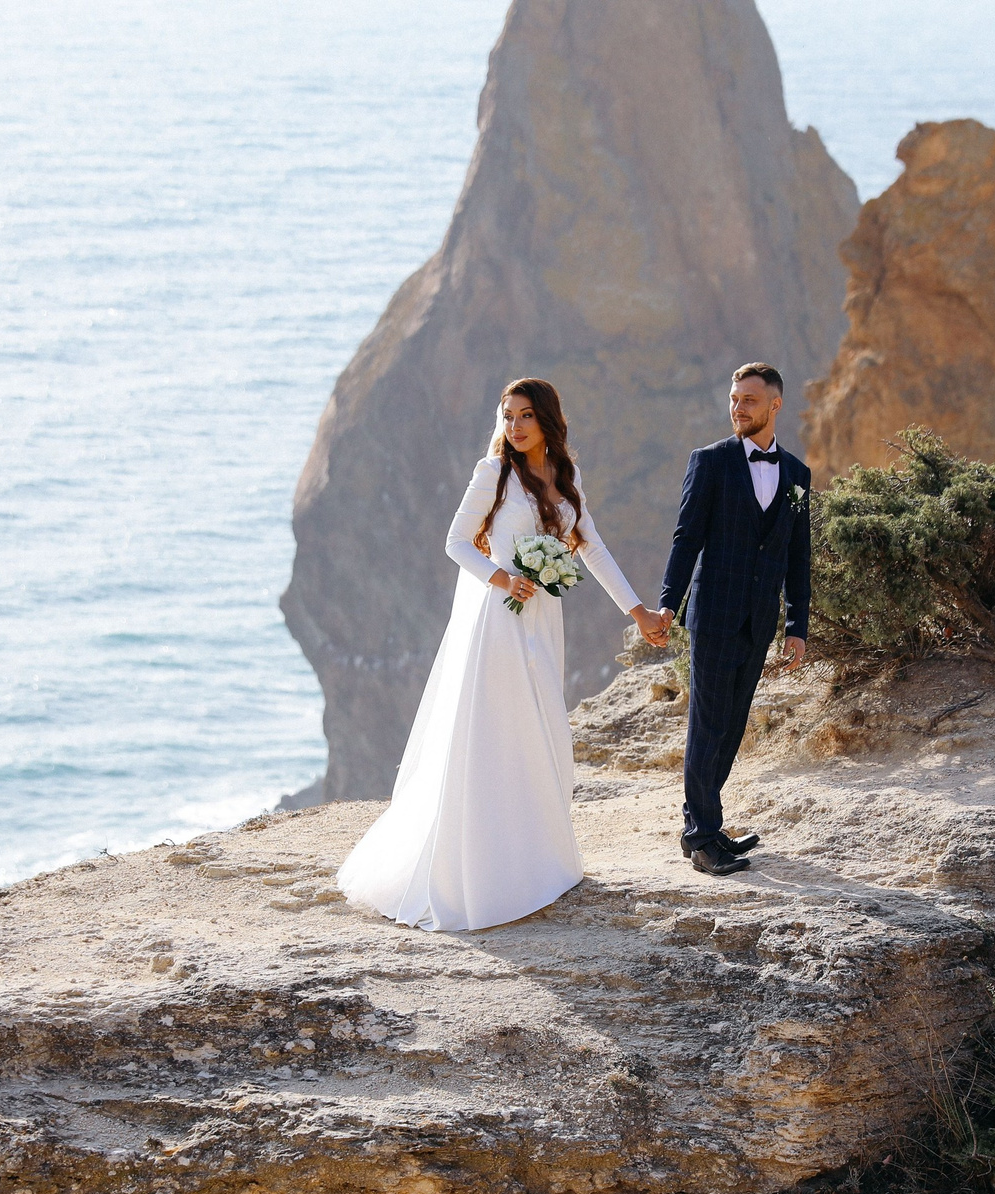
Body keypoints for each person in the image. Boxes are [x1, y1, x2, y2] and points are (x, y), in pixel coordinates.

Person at [336, 377, 668, 931]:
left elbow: (593, 548)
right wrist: (503, 578)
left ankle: (538, 863)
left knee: (538, 730)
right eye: (507, 416)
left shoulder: (567, 477)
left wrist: (638, 612)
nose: (513, 427)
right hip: (498, 618)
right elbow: (455, 541)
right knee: (493, 732)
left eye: (525, 417)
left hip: (542, 620)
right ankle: (482, 875)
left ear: (548, 422)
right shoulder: (493, 474)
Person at [656, 363, 810, 876]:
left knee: (733, 724)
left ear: (775, 405)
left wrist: (796, 626)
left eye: (749, 399)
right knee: (707, 724)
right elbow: (686, 539)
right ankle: (701, 837)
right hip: (715, 614)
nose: (738, 407)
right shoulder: (710, 462)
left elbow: (797, 555)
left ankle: (707, 825)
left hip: (759, 619)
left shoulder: (796, 475)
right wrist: (667, 603)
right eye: (734, 398)